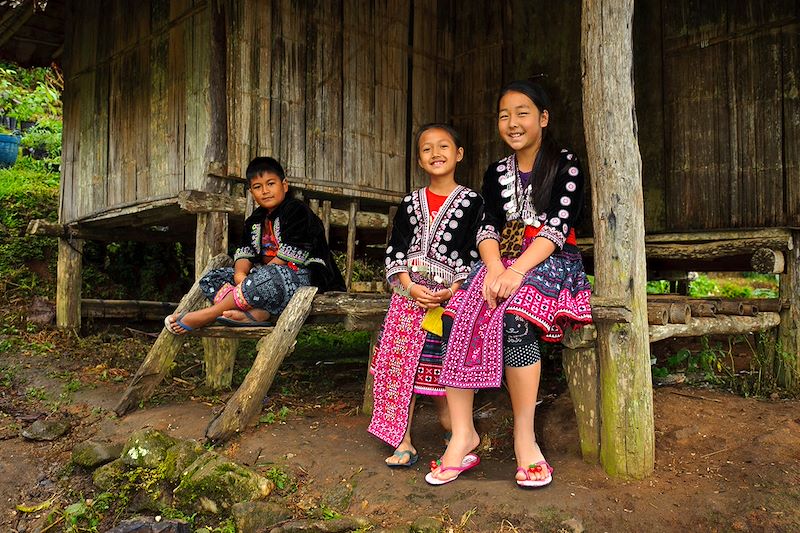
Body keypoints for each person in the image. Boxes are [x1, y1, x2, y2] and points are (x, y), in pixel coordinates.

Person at [426, 80, 592, 487]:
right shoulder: (496, 172)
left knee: (515, 318)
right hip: (502, 260)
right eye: (504, 115)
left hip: (552, 261)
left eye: (522, 113)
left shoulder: (566, 165)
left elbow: (558, 226)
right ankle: (463, 434)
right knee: (455, 311)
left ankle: (525, 438)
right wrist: (497, 266)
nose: (512, 122)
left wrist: (515, 272)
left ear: (543, 118)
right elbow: (487, 226)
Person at [368, 124, 484, 468]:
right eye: (427, 149)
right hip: (409, 296)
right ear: (419, 160)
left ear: (458, 154)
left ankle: (455, 427)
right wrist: (408, 284)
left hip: (452, 297)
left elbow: (476, 253)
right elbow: (396, 250)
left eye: (444, 146)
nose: (436, 154)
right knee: (400, 364)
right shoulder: (409, 203)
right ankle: (401, 439)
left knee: (441, 364)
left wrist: (452, 290)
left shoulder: (472, 202)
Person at [164, 156, 345, 334]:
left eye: (271, 184)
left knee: (270, 276)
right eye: (258, 187)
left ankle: (209, 314)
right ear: (251, 192)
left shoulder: (297, 211)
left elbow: (291, 255)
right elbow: (245, 253)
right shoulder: (254, 220)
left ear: (284, 185)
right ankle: (256, 314)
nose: (265, 191)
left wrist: (255, 279)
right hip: (264, 281)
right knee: (213, 278)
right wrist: (241, 275)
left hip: (305, 279)